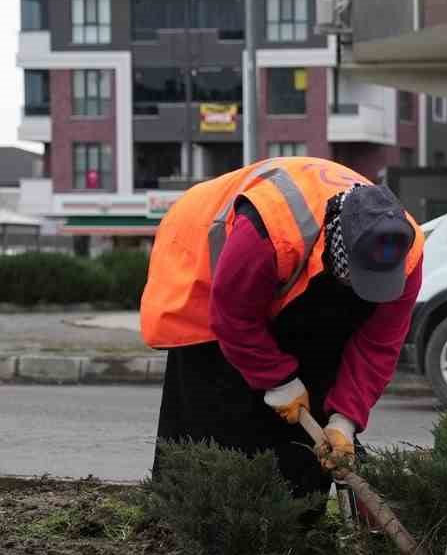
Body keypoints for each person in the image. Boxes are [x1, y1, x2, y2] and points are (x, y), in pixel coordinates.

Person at [141, 156, 424, 497]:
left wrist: (344, 419)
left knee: (303, 434)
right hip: (203, 257)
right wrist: (278, 379)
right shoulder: (270, 232)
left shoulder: (403, 252)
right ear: (336, 252)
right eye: (359, 279)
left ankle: (295, 516)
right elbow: (232, 316)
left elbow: (378, 346)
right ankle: (188, 507)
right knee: (213, 414)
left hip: (288, 272)